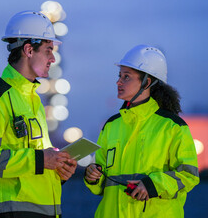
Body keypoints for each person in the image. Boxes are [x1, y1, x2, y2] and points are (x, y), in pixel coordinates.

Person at [0, 10, 77, 218]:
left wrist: (57, 168)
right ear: (28, 50)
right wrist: (41, 160)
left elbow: (36, 159)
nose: (53, 58)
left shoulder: (33, 99)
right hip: (13, 212)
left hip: (46, 211)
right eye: (48, 50)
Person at [84, 44, 200, 217]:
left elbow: (189, 175)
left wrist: (153, 185)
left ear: (146, 82)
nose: (119, 82)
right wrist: (93, 175)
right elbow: (102, 181)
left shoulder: (173, 126)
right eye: (119, 76)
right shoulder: (111, 126)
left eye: (126, 77)